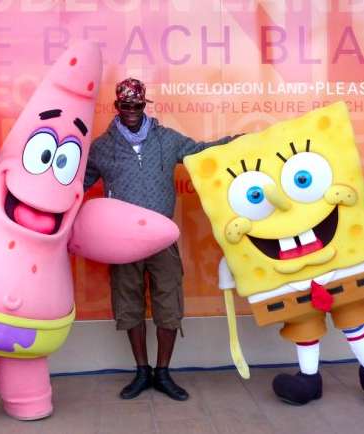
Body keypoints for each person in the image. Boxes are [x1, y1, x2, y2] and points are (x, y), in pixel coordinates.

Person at [84, 78, 236, 401]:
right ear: (116, 107)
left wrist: (238, 144)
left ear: (144, 106)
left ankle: (163, 373)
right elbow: (76, 187)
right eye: (125, 106)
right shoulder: (101, 148)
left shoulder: (166, 139)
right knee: (129, 305)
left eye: (136, 106)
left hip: (162, 236)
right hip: (122, 241)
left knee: (169, 302)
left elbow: (200, 152)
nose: (131, 112)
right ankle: (141, 372)